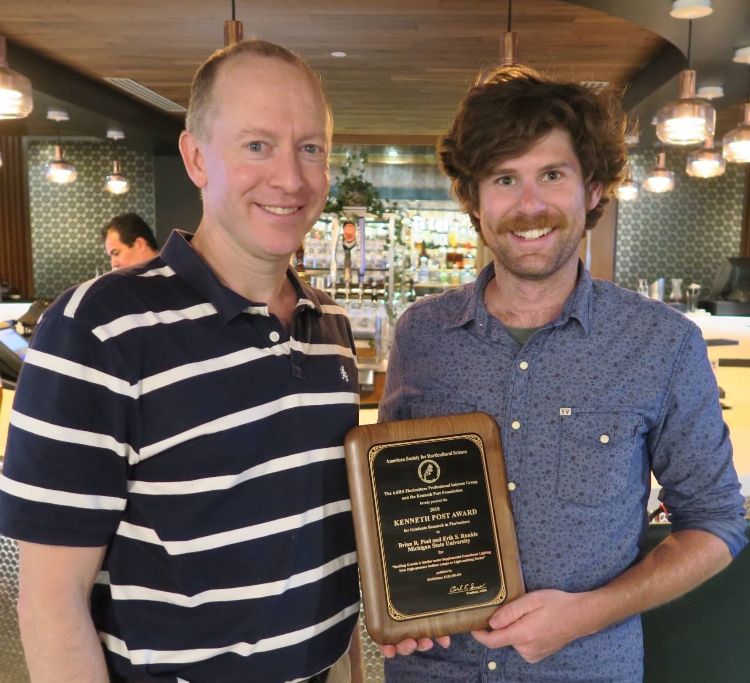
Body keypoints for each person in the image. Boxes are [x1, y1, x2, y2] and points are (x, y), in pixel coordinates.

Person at [0, 39, 360, 683]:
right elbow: (50, 602)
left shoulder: (328, 326)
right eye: (258, 145)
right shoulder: (98, 329)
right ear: (196, 157)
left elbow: (320, 549)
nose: (291, 177)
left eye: (311, 148)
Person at [377, 65, 747, 682]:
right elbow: (394, 500)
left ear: (593, 189)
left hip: (586, 669)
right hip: (435, 672)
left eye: (552, 174)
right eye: (504, 178)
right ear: (473, 199)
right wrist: (397, 600)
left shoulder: (662, 344)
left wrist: (587, 614)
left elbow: (715, 524)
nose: (529, 205)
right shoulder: (422, 334)